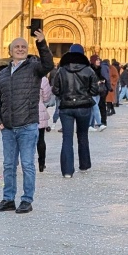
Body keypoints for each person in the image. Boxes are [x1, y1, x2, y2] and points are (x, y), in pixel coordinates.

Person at [0, 30, 54, 214]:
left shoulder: (34, 68)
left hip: (27, 125)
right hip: (8, 128)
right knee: (9, 165)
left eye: (23, 47)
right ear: (10, 51)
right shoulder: (2, 73)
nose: (20, 49)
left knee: (27, 164)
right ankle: (8, 199)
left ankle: (27, 199)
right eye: (16, 47)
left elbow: (48, 64)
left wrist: (42, 43)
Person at [50, 44, 96, 178]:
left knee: (67, 138)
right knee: (83, 136)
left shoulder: (61, 70)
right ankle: (84, 165)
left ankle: (67, 171)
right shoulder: (88, 70)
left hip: (66, 108)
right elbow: (94, 90)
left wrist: (65, 95)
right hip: (84, 107)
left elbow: (55, 89)